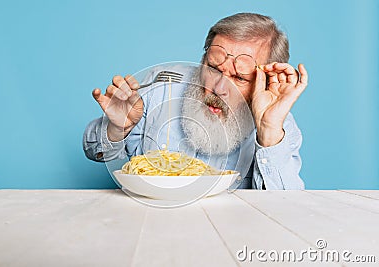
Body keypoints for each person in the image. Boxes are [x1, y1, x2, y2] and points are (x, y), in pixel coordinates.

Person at [83, 12, 308, 190]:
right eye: (212, 68)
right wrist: (117, 128)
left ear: (267, 82)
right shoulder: (161, 85)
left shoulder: (280, 127)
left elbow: (286, 209)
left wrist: (268, 132)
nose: (219, 89)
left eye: (240, 78)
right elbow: (95, 151)